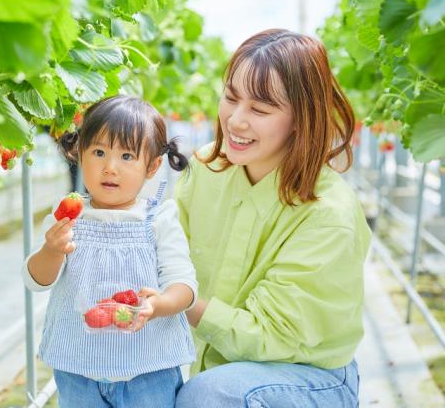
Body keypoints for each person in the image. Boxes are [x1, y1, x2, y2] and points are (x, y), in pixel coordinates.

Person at [174, 29, 370, 407]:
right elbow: (167, 255)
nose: (236, 120)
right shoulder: (205, 169)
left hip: (310, 378)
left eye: (260, 110)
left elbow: (272, 336)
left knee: (209, 395)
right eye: (231, 98)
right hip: (222, 369)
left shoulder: (328, 214)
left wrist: (177, 303)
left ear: (301, 118)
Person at [23, 95, 197, 408]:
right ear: (79, 153)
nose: (110, 167)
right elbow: (37, 280)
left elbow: (184, 284)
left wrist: (159, 305)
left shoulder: (159, 218)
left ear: (153, 166)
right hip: (77, 368)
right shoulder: (67, 216)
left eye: (127, 156)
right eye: (99, 152)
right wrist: (52, 250)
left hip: (148, 368)